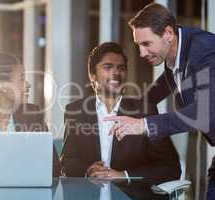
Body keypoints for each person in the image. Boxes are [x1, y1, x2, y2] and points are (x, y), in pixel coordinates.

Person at [104, 3, 215, 198]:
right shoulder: (176, 53)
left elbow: (204, 113)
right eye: (139, 45)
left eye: (146, 44)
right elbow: (165, 83)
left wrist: (144, 125)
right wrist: (128, 108)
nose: (141, 53)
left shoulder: (204, 51)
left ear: (168, 34)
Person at [60, 42, 181, 185]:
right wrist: (87, 171)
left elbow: (170, 168)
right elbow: (67, 162)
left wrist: (124, 176)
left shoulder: (145, 110)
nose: (116, 73)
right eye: (108, 67)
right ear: (92, 75)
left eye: (121, 68)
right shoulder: (75, 111)